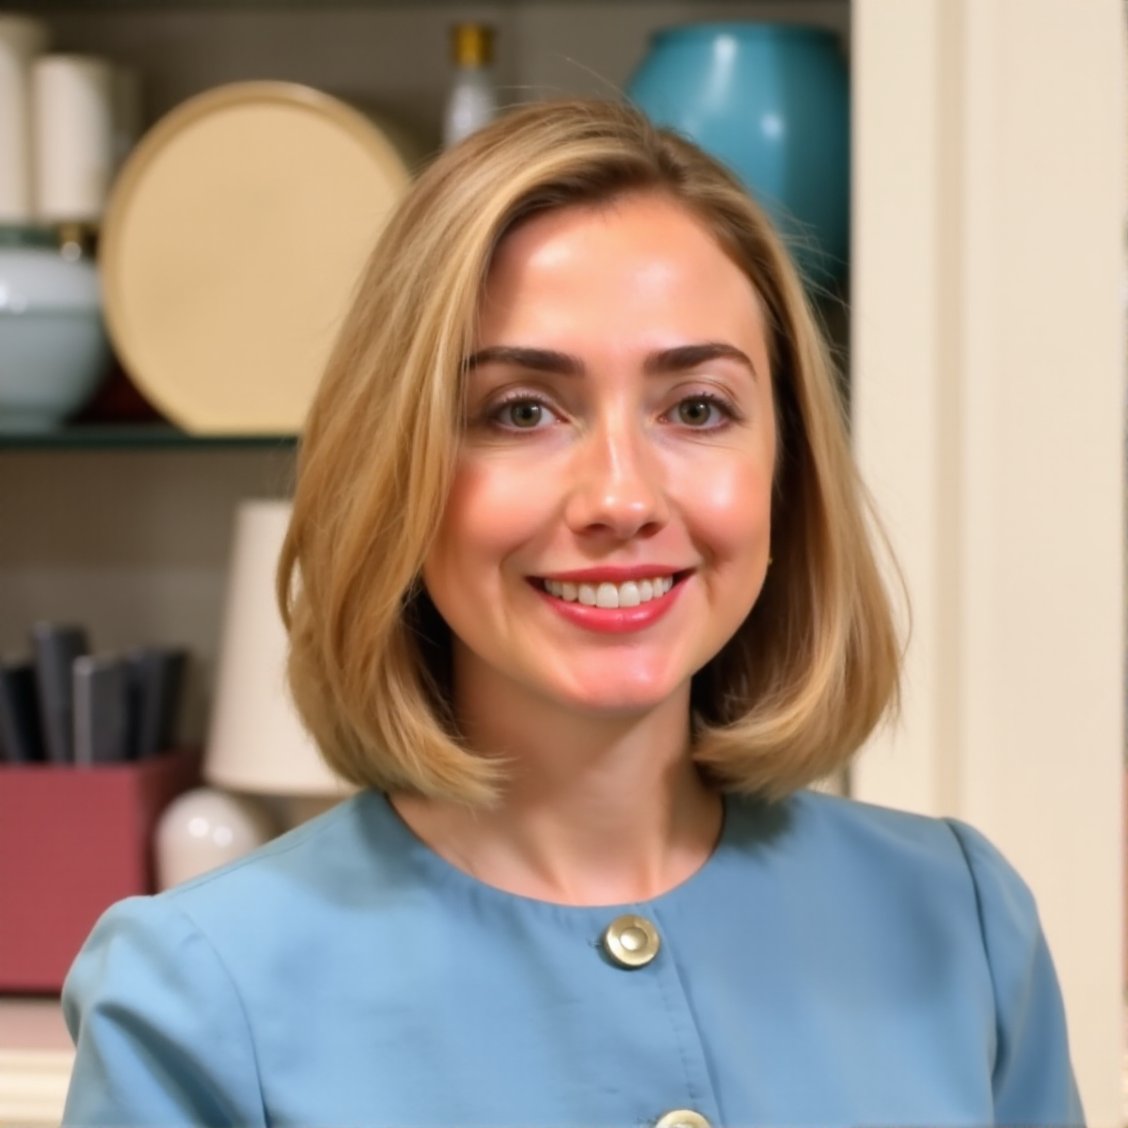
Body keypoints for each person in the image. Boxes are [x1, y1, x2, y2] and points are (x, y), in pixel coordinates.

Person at [60, 98, 1082, 1128]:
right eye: (521, 411)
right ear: (397, 472)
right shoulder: (195, 998)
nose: (622, 500)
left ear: (788, 471)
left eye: (696, 408)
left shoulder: (960, 921)